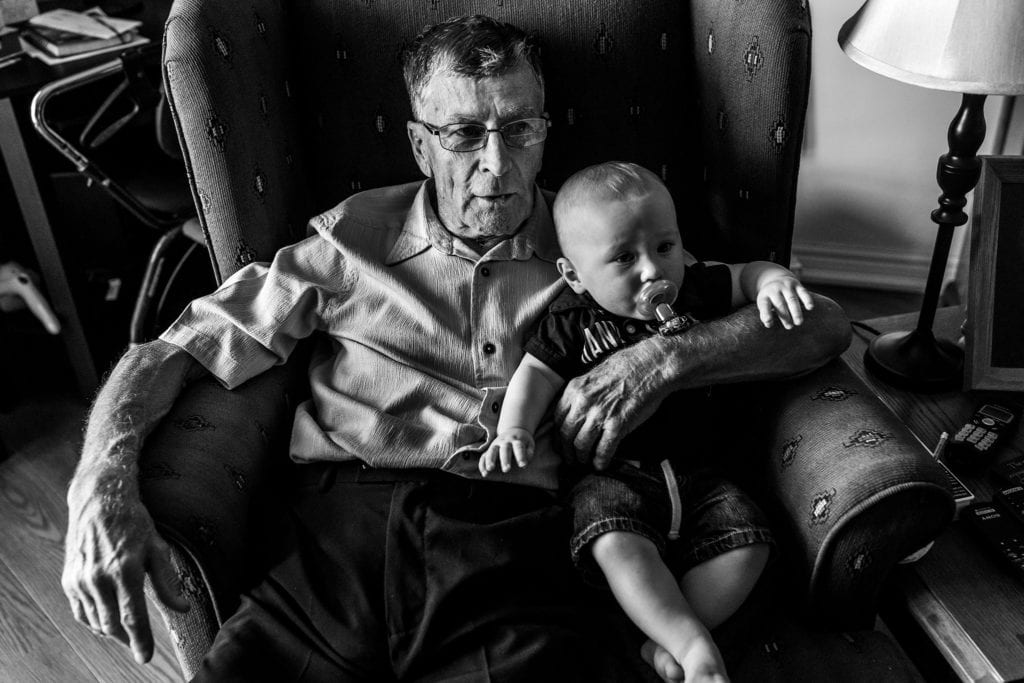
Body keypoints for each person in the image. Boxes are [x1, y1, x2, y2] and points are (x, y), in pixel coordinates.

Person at [60, 14, 851, 682]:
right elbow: (176, 349)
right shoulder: (347, 243)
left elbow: (822, 325)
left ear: (546, 133)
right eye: (464, 133)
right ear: (417, 144)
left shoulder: (604, 242)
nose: (496, 164)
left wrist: (666, 359)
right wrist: (99, 482)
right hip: (336, 538)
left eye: (519, 129)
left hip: (512, 544)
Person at [478, 161, 814, 682]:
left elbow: (747, 273)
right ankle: (693, 647)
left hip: (705, 473)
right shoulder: (574, 322)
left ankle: (666, 640)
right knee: (615, 542)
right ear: (574, 275)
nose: (654, 271)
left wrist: (776, 282)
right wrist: (513, 429)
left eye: (665, 247)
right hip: (615, 477)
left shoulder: (696, 292)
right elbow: (536, 375)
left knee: (750, 544)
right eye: (623, 258)